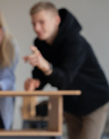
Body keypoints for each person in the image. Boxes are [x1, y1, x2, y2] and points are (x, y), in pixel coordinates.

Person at [24, 2, 109, 139]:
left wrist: (46, 66)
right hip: (70, 104)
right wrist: (35, 83)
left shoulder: (75, 42)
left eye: (41, 22)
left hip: (94, 102)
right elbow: (43, 75)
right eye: (33, 24)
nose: (37, 28)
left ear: (56, 20)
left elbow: (64, 80)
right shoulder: (40, 44)